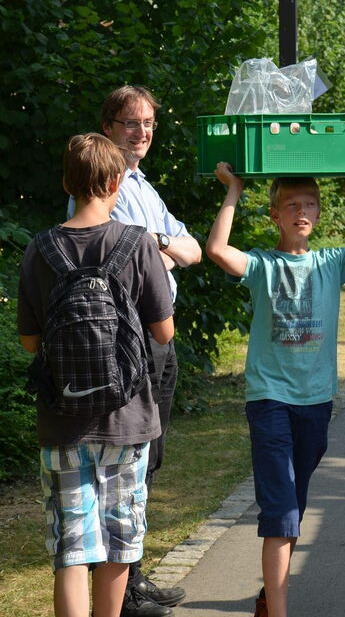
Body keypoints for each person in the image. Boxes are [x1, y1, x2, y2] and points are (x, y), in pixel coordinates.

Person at [206, 163, 345, 617]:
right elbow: (218, 250)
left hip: (316, 403)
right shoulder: (263, 264)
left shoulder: (332, 262)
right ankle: (279, 610)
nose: (301, 212)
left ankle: (268, 595)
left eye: (309, 205)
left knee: (293, 505)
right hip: (269, 401)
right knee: (280, 508)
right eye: (291, 205)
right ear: (275, 215)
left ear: (319, 214)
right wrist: (234, 191)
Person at [17, 133, 175, 617]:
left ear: (68, 181)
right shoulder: (137, 243)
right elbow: (163, 333)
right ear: (116, 180)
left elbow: (29, 342)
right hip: (126, 419)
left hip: (62, 420)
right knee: (119, 542)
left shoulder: (40, 249)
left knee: (71, 546)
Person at [99, 86, 202, 616]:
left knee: (150, 457)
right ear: (109, 126)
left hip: (157, 337)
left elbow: (193, 249)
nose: (141, 132)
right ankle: (123, 586)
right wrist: (159, 246)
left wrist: (156, 244)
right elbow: (122, 253)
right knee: (130, 460)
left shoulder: (142, 184)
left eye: (148, 124)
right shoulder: (103, 184)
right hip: (129, 336)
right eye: (131, 122)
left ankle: (131, 575)